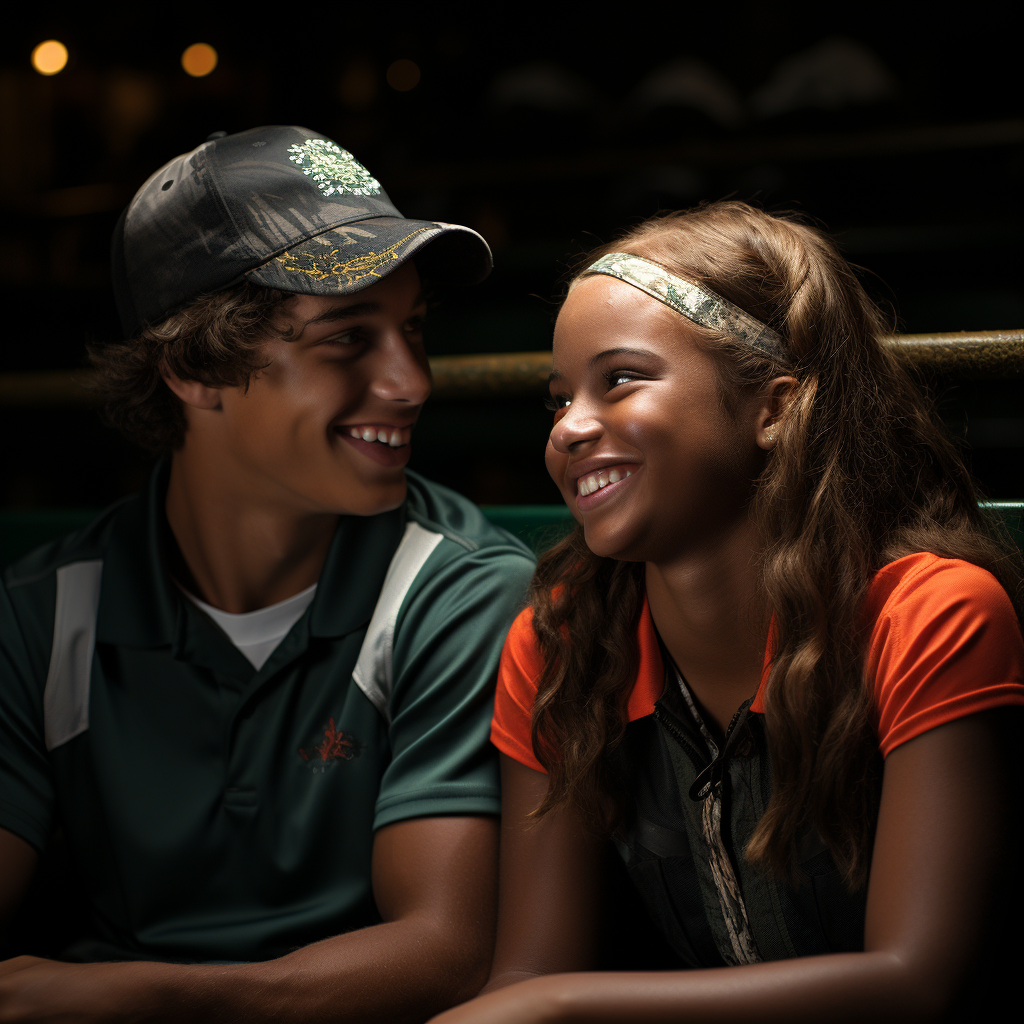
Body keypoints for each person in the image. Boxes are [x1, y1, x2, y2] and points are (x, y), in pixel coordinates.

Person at [431, 201, 1024, 1023]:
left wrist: (560, 1008)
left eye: (621, 379)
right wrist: (535, 1001)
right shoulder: (559, 641)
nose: (569, 427)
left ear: (773, 408)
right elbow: (525, 972)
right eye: (557, 397)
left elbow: (917, 981)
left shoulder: (926, 614)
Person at [0, 126, 535, 1021]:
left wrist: (124, 997)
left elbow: (444, 952)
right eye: (347, 340)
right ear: (193, 370)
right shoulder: (44, 615)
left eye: (411, 331)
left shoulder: (457, 588)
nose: (411, 383)